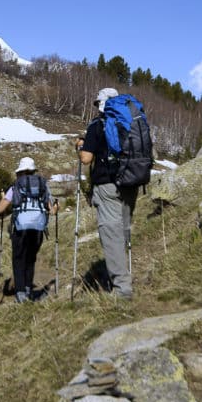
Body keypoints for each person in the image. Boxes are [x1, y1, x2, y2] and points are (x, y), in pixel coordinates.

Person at [77, 87, 138, 299]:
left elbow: (86, 159)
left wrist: (80, 147)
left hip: (107, 185)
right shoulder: (131, 121)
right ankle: (126, 274)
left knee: (111, 234)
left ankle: (122, 289)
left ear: (101, 104)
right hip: (131, 183)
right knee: (123, 230)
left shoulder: (98, 124)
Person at [0, 156, 58, 303]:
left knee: (18, 259)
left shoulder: (15, 186)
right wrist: (56, 207)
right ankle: (29, 291)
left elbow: (0, 209)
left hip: (20, 229)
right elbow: (52, 211)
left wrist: (4, 198)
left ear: (20, 172)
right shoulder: (43, 185)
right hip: (38, 229)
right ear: (33, 171)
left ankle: (20, 293)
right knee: (30, 259)